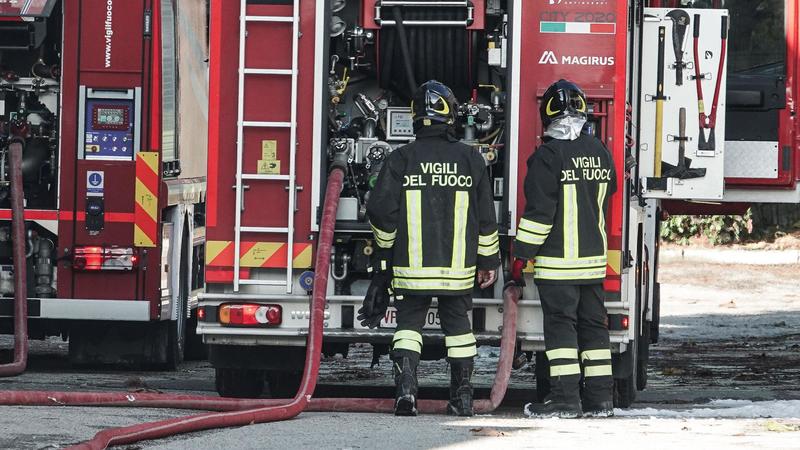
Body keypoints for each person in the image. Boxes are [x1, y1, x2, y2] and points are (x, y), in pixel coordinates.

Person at [358, 80, 501, 417]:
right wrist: (488, 261)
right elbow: (485, 217)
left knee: (408, 327)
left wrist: (385, 254)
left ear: (414, 117)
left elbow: (380, 211)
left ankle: (406, 394)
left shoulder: (400, 159)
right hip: (458, 272)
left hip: (410, 270)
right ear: (450, 114)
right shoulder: (471, 159)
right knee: (459, 330)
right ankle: (462, 398)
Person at [509, 79, 617, 418]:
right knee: (594, 328)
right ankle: (601, 401)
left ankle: (565, 400)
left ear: (547, 117)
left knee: (561, 330)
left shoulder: (547, 156)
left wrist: (520, 255)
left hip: (558, 265)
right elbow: (609, 189)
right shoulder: (600, 151)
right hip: (593, 263)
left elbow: (539, 215)